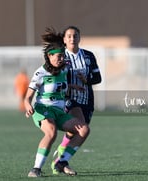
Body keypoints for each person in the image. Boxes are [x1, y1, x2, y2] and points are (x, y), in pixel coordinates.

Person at [24, 27, 90, 177]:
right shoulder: (40, 73)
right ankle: (36, 169)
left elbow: (60, 86)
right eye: (59, 56)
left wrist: (73, 86)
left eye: (62, 56)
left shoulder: (64, 69)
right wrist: (27, 106)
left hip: (59, 112)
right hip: (43, 109)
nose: (62, 59)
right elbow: (27, 97)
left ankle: (61, 161)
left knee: (84, 130)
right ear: (49, 56)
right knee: (51, 132)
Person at [51, 26, 102, 174]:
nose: (72, 38)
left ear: (79, 38)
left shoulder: (88, 56)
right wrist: (70, 85)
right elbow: (55, 78)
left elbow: (98, 78)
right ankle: (62, 162)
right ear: (64, 40)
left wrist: (86, 80)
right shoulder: (61, 57)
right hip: (68, 99)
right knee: (82, 128)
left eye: (75, 36)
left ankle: (60, 155)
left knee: (77, 132)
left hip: (87, 100)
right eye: (69, 36)